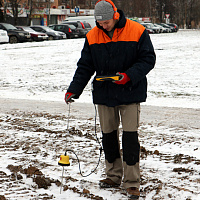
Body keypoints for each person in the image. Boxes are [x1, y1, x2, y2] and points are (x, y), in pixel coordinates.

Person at [65, 0, 156, 198]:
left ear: (115, 16)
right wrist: (74, 90)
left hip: (131, 91)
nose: (103, 26)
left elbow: (148, 59)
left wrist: (129, 75)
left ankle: (132, 182)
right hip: (105, 94)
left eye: (106, 22)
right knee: (108, 137)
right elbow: (85, 66)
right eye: (100, 23)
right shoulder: (92, 35)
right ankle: (113, 176)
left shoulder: (137, 30)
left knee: (130, 137)